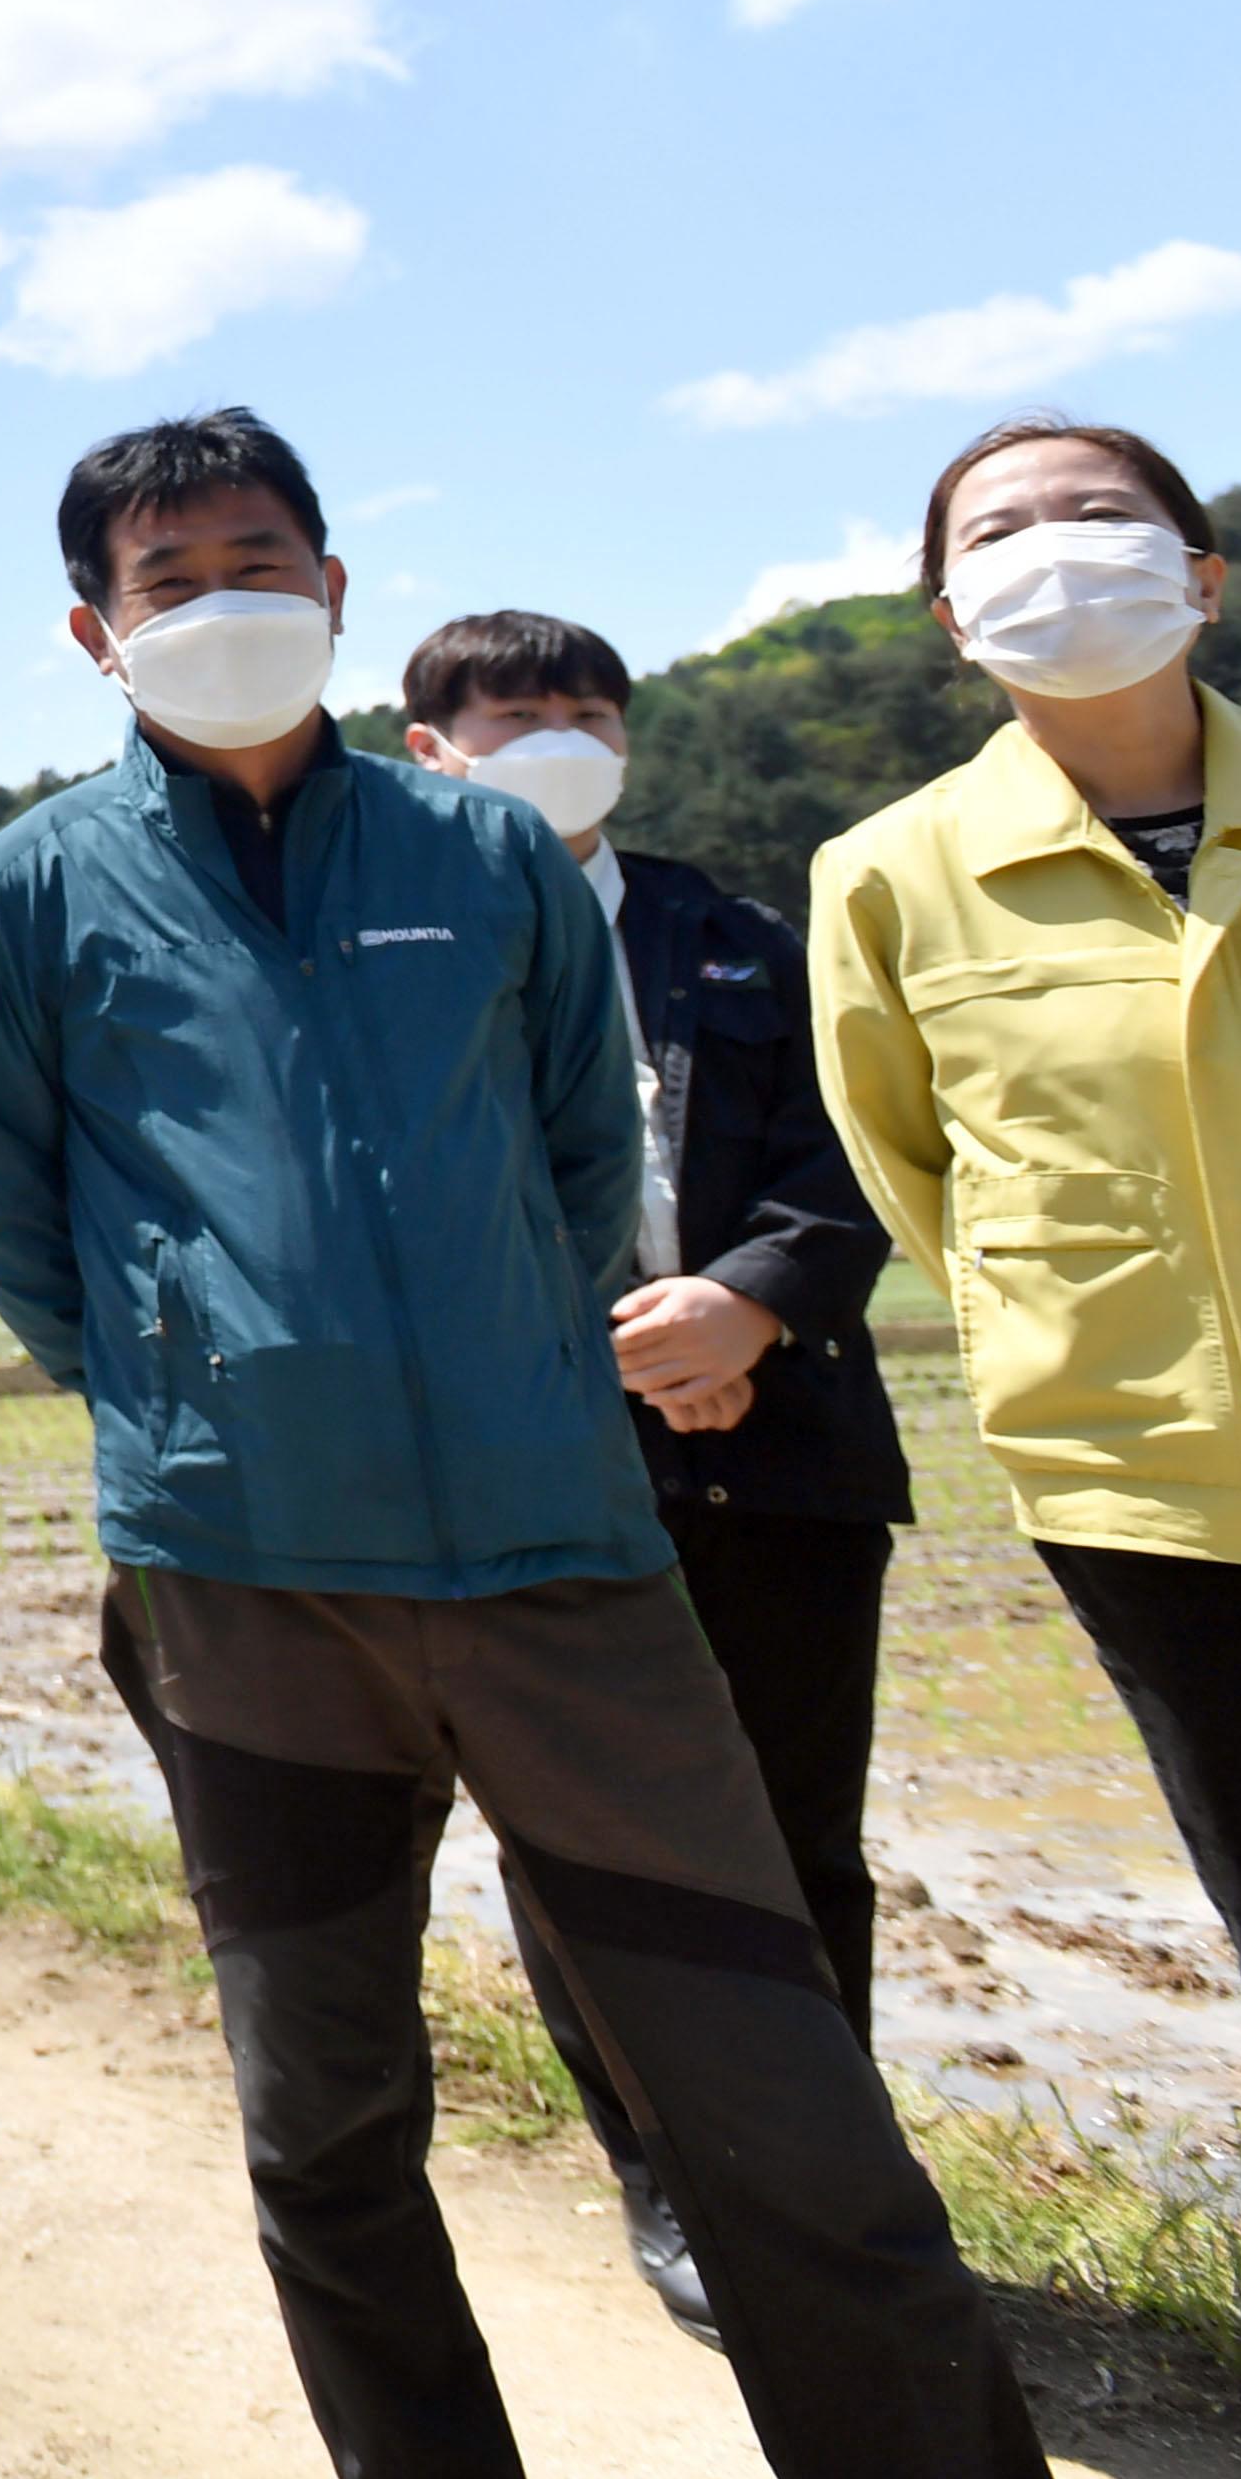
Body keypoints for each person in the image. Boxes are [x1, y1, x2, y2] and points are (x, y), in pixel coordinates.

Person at [0, 410, 1038, 2479]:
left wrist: (511, 1369)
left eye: (265, 559)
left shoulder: (491, 857)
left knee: (779, 2098)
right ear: (95, 628)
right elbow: (10, 1210)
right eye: (172, 579)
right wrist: (205, 1384)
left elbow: (574, 1148)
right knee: (327, 2120)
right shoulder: (23, 898)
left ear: (338, 589)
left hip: (564, 1562)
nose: (226, 602)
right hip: (246, 1584)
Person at [810, 413, 1241, 2479]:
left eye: (1102, 515)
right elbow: (925, 1184)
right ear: (952, 616)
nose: (1058, 552)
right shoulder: (890, 876)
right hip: (1174, 1498)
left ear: (1204, 574)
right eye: (1001, 533)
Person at [398, 611, 916, 2351]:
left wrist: (749, 1305)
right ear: (430, 752)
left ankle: (833, 2167)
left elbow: (859, 1155)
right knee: (585, 1841)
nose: (562, 735)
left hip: (780, 1447)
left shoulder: (745, 939)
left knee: (799, 1830)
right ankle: (673, 2168)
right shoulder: (391, 951)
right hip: (541, 1457)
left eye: (589, 710)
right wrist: (607, 1346)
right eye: (517, 712)